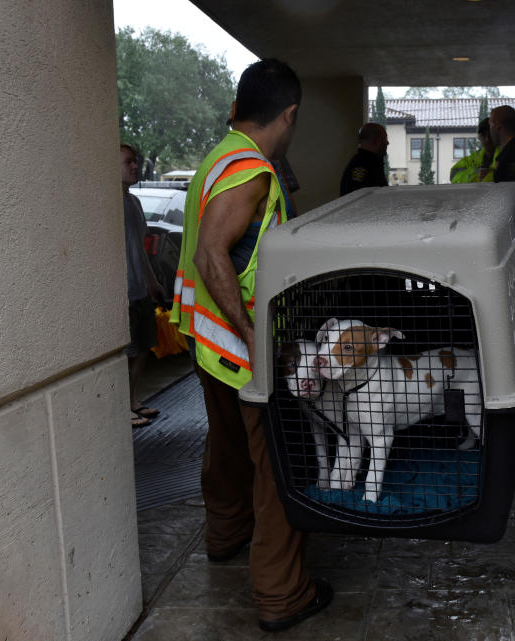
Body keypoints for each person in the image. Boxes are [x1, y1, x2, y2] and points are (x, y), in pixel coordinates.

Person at [169, 59, 332, 632]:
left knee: (229, 447)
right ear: (289, 115)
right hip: (238, 348)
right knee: (278, 467)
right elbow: (214, 253)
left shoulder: (216, 157)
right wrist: (252, 334)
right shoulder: (251, 170)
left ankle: (226, 533)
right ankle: (282, 594)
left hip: (204, 339)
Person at [120, 143, 166, 428]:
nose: (135, 166)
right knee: (128, 352)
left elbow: (140, 248)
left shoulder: (134, 202)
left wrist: (153, 283)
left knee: (145, 347)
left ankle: (132, 400)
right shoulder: (108, 203)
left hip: (140, 290)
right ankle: (121, 407)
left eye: (135, 161)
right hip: (122, 293)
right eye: (128, 162)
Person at [339, 122, 389, 195]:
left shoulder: (370, 162)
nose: (387, 143)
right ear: (375, 141)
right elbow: (357, 195)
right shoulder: (361, 164)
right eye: (384, 139)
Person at [450, 118, 499, 183]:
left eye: (490, 135)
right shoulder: (475, 157)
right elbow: (453, 175)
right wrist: (477, 174)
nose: (487, 139)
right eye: (484, 135)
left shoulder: (506, 156)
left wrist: (490, 175)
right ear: (480, 137)